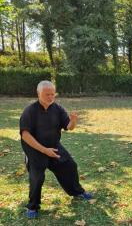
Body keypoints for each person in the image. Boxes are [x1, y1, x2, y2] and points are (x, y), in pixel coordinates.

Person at [19, 80, 92, 218]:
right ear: (38, 93)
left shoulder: (57, 109)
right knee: (37, 177)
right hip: (35, 150)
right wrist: (44, 150)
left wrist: (74, 120)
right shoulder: (30, 111)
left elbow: (69, 127)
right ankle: (33, 207)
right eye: (47, 94)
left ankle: (77, 192)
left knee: (70, 166)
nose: (51, 97)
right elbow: (25, 135)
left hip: (54, 146)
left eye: (53, 94)